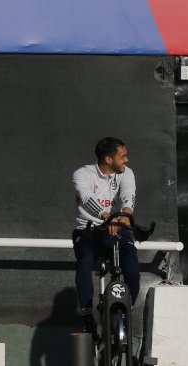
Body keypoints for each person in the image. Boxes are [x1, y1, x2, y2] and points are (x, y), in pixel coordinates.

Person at [72, 137, 139, 338]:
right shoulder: (82, 174)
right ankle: (87, 316)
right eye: (123, 156)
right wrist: (107, 216)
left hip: (116, 228)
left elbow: (129, 193)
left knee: (132, 264)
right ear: (109, 159)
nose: (127, 160)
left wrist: (125, 213)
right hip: (88, 229)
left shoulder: (126, 173)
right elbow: (86, 197)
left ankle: (127, 310)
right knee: (84, 262)